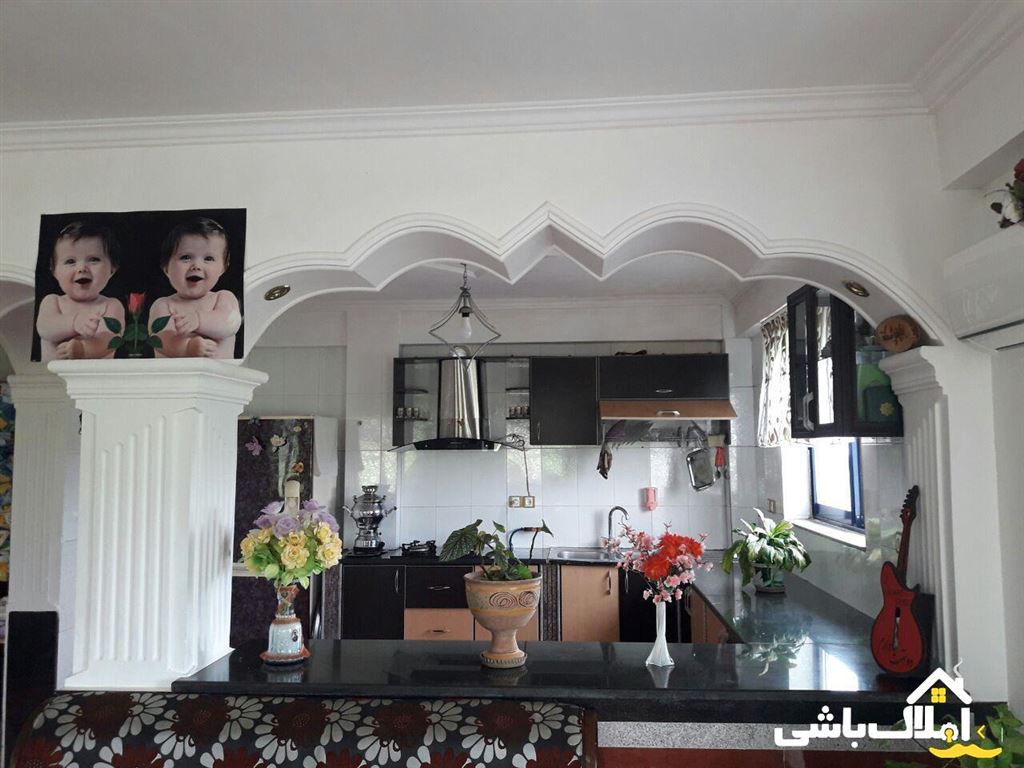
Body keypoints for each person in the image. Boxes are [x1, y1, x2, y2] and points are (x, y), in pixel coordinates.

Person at [150, 217, 241, 358]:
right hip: (176, 373)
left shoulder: (223, 298)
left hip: (218, 373)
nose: (196, 266)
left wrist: (199, 319)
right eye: (186, 257)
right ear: (166, 267)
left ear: (223, 267)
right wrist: (187, 347)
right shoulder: (163, 305)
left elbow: (230, 323)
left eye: (208, 258)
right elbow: (161, 341)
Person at [36, 221, 125, 362]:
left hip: (96, 375)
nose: (82, 268)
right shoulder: (52, 301)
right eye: (70, 261)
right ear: (54, 270)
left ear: (112, 268)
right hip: (53, 375)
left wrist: (82, 349)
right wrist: (74, 322)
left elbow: (109, 341)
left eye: (93, 260)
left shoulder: (111, 305)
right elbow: (45, 328)